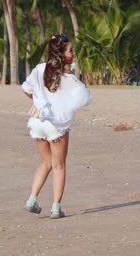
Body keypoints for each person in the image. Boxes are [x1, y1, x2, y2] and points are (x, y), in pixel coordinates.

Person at [21, 34, 91, 219]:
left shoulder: (39, 69)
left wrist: (39, 102)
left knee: (46, 162)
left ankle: (31, 200)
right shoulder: (69, 77)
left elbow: (27, 89)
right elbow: (84, 99)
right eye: (70, 50)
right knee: (59, 166)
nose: (73, 53)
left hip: (37, 122)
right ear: (61, 54)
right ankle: (55, 208)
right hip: (55, 125)